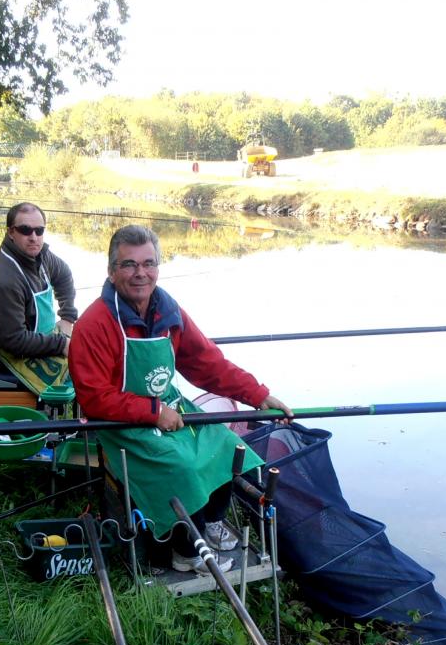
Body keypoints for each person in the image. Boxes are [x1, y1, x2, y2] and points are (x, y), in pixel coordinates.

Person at [68, 225, 291, 575]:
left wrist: (258, 395)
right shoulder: (93, 324)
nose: (140, 273)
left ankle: (210, 523)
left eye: (148, 263)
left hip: (168, 406)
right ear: (112, 271)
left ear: (158, 266)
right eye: (128, 265)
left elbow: (207, 362)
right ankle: (186, 552)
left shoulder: (167, 311)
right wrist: (153, 412)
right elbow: (94, 398)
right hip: (119, 421)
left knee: (227, 444)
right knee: (181, 465)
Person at [0, 202, 76, 395]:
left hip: (41, 336)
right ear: (10, 232)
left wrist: (67, 319)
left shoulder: (41, 256)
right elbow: (15, 341)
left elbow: (64, 275)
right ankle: (65, 422)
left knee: (94, 350)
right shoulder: (3, 280)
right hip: (13, 352)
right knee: (83, 371)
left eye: (39, 230)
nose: (33, 237)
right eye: (25, 230)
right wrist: (62, 344)